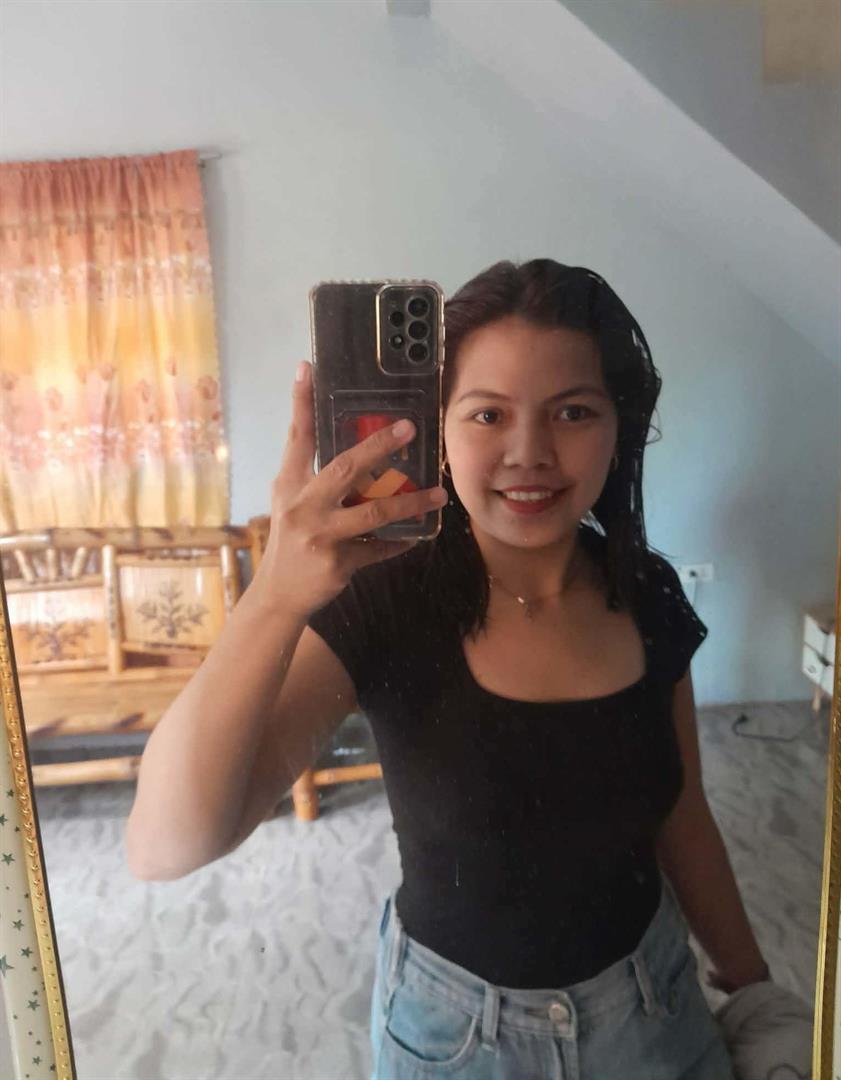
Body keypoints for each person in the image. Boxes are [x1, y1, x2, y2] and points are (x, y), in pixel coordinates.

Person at [126, 259, 770, 1079]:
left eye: (572, 411)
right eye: (487, 413)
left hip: (655, 1014)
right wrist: (273, 598)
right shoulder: (383, 601)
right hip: (457, 1041)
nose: (528, 453)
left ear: (619, 424)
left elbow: (682, 810)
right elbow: (165, 846)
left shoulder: (648, 593)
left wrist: (754, 988)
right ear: (434, 428)